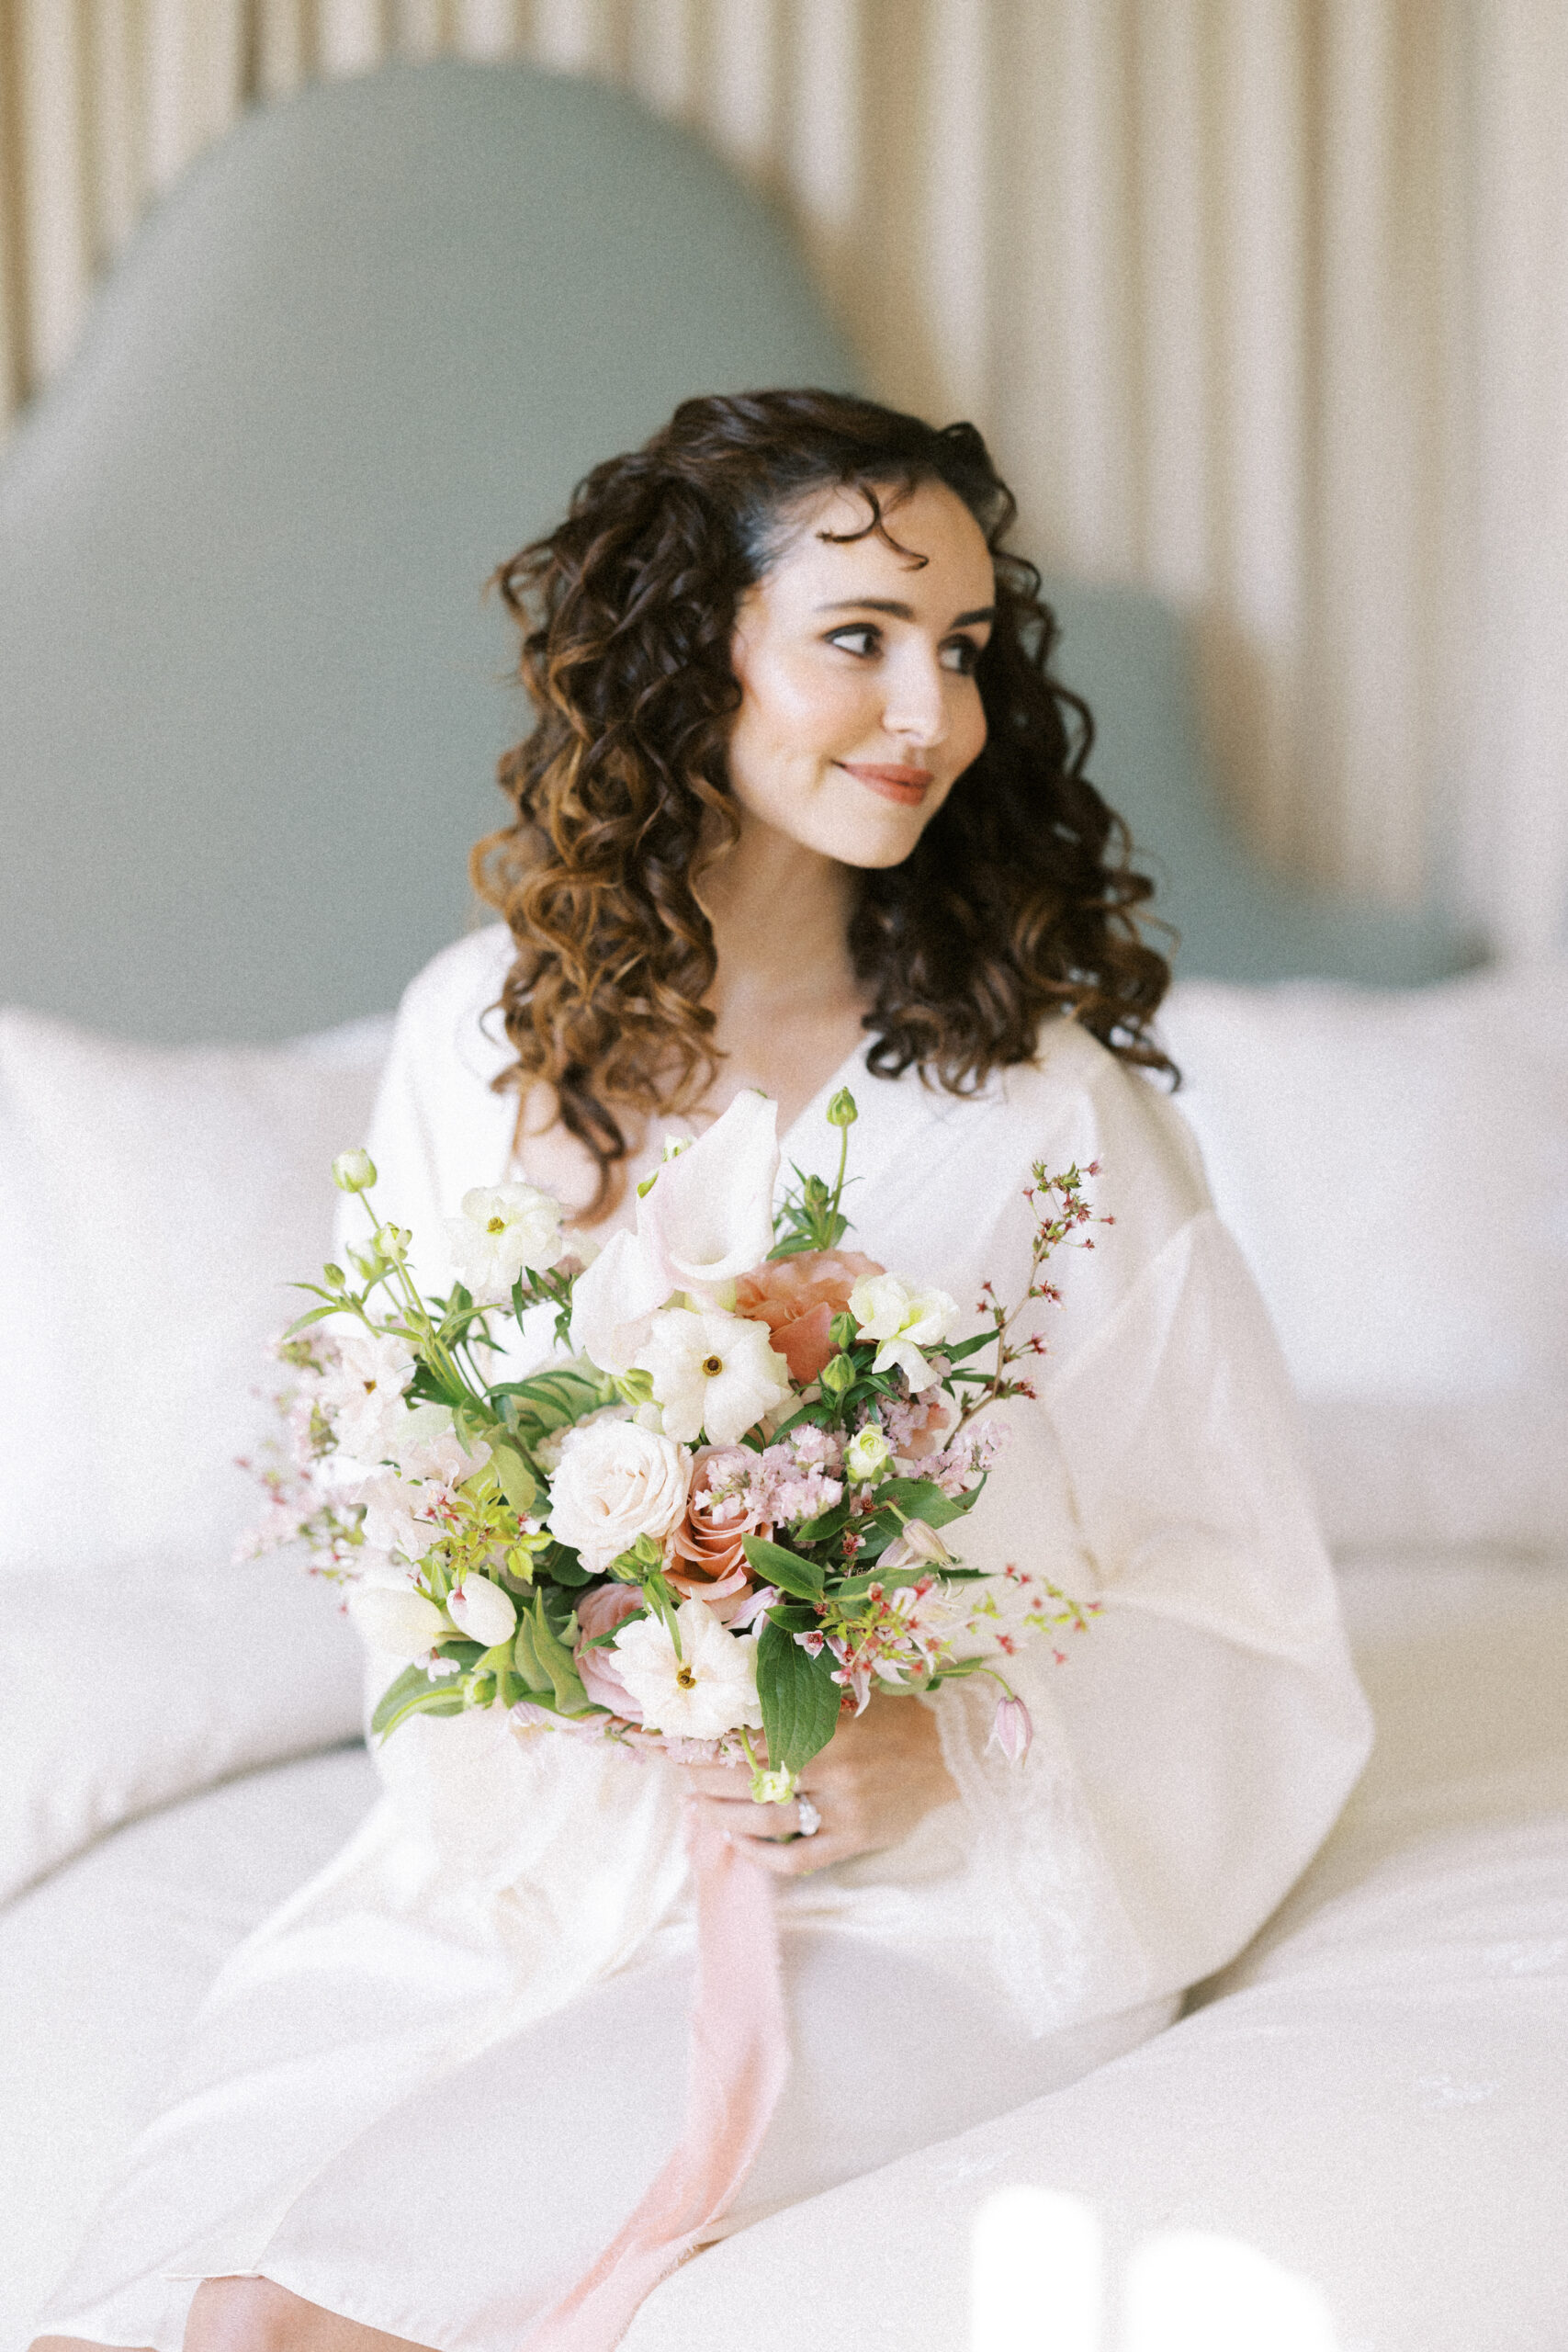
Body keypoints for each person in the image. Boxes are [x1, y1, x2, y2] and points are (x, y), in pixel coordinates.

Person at [32, 390, 1371, 2352]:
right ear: (689, 652)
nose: (933, 707)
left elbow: (1244, 1601)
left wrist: (941, 1743)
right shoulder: (471, 1042)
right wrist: (584, 1686)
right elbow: (401, 1509)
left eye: (967, 647)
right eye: (859, 636)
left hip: (916, 1907)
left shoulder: (1035, 1109)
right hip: (500, 1872)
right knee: (139, 2311)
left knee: (294, 2320)